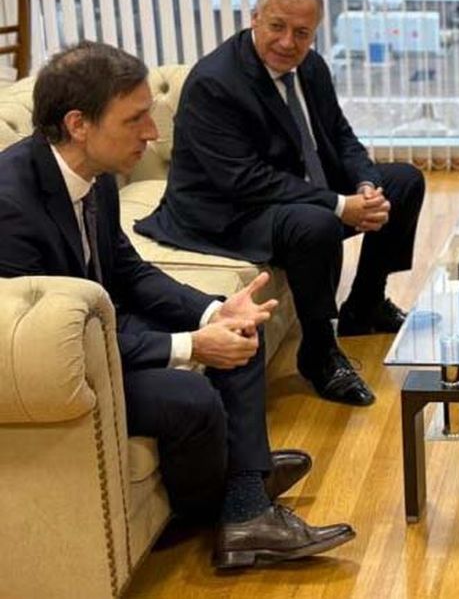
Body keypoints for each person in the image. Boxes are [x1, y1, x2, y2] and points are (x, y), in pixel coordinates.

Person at [0, 41, 357, 569]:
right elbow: (50, 347)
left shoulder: (92, 177)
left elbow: (130, 273)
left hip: (99, 329)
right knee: (189, 396)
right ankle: (234, 496)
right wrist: (189, 344)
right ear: (79, 124)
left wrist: (214, 314)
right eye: (136, 118)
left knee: (237, 335)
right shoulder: (10, 207)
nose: (152, 132)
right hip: (55, 364)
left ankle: (244, 498)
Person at [135, 0, 426, 407]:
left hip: (288, 188)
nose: (288, 42)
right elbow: (244, 179)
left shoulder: (310, 66)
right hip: (224, 210)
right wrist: (338, 204)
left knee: (401, 182)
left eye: (302, 32)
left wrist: (366, 185)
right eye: (277, 26)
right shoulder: (216, 82)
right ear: (254, 18)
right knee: (316, 222)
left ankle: (364, 306)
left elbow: (340, 136)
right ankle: (320, 351)